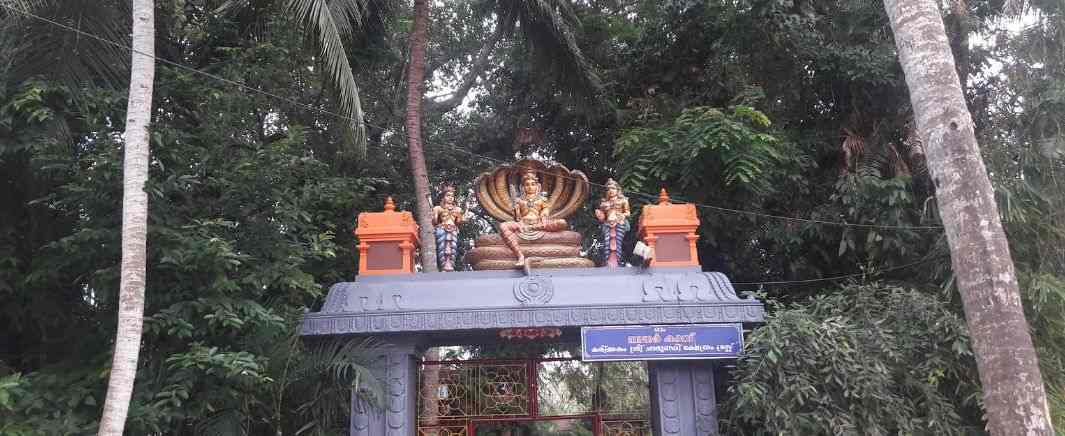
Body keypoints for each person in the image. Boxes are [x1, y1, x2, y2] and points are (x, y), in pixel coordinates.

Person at [499, 171, 569, 266]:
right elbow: (517, 218)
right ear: (522, 187)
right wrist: (516, 211)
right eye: (527, 185)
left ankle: (534, 228)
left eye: (533, 184)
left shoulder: (542, 199)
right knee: (503, 226)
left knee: (562, 222)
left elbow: (545, 210)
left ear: (538, 186)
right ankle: (520, 255)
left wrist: (543, 216)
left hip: (538, 224)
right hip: (523, 224)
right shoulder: (519, 200)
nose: (530, 187)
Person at [595, 178, 631, 267]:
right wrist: (599, 214)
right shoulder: (604, 203)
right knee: (607, 243)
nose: (611, 191)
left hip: (619, 223)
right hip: (607, 224)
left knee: (617, 243)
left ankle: (617, 262)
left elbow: (628, 212)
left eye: (613, 188)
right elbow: (602, 217)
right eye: (608, 189)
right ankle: (608, 262)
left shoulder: (623, 200)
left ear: (617, 190)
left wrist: (623, 215)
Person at [432, 186, 466, 271]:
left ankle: (451, 265)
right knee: (442, 248)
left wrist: (462, 217)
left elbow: (459, 222)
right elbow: (435, 221)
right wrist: (434, 215)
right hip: (442, 229)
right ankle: (444, 266)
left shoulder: (458, 209)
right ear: (443, 197)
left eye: (452, 196)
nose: (450, 197)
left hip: (453, 230)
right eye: (448, 195)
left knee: (453, 248)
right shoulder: (438, 208)